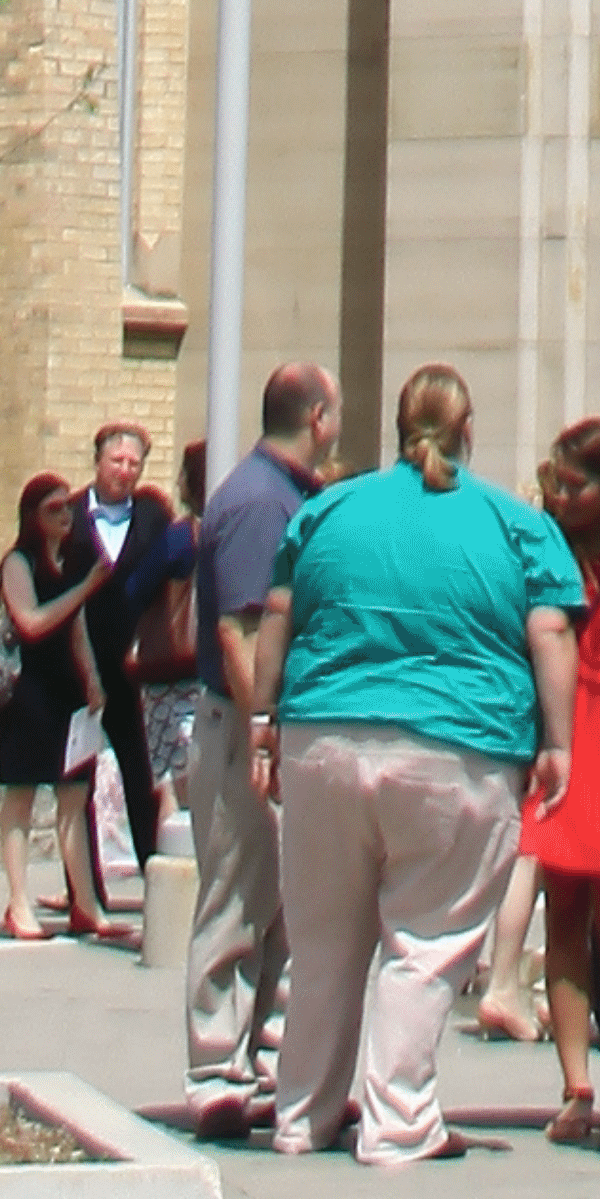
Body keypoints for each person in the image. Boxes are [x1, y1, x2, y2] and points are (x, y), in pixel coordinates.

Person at [258, 363, 583, 1163]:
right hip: (458, 745)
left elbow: (276, 613)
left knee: (324, 940)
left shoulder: (328, 508)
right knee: (428, 943)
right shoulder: (516, 525)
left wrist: (264, 722)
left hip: (324, 739)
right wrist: (559, 740)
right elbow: (550, 632)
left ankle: (302, 1114)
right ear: (467, 430)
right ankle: (399, 1119)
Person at [185, 361, 337, 1139]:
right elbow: (238, 633)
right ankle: (216, 1071)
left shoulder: (294, 497)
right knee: (237, 900)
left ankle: (268, 1063)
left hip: (274, 731)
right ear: (316, 417)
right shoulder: (254, 505)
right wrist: (264, 732)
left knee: (283, 908)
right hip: (244, 726)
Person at [522, 419, 600, 1132]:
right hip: (567, 730)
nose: (564, 498)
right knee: (562, 909)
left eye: (579, 486)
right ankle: (575, 1086)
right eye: (558, 485)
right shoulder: (547, 550)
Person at [0, 472, 125, 941]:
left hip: (66, 690)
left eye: (68, 507)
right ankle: (18, 902)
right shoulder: (18, 563)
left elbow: (77, 627)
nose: (64, 516)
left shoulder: (74, 560)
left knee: (73, 795)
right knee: (22, 794)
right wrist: (84, 588)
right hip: (26, 691)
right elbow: (31, 622)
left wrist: (92, 679)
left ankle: (85, 903)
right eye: (53, 508)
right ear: (32, 516)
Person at [66, 421, 193, 894]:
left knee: (143, 776)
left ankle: (151, 877)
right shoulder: (71, 515)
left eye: (133, 463)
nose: (124, 470)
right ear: (97, 461)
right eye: (116, 460)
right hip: (79, 668)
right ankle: (84, 890)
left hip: (134, 668)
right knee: (77, 781)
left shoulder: (154, 515)